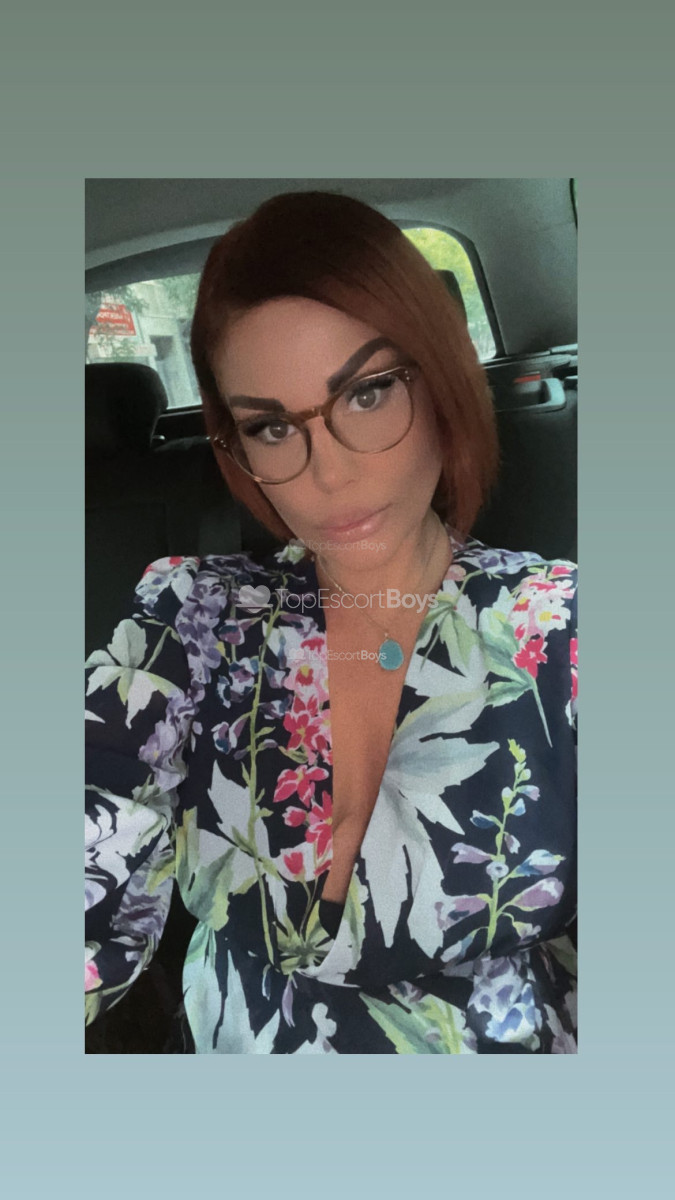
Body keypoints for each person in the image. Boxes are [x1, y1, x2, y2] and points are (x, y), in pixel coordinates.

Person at [85, 191, 577, 1053]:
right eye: (271, 426)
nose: (328, 474)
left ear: (442, 377)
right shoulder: (187, 618)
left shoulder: (562, 628)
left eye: (367, 392)